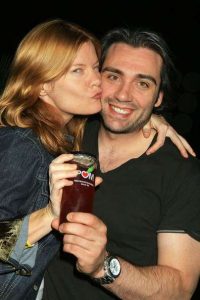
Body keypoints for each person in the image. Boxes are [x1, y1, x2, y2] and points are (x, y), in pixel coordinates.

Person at [43, 28, 200, 300]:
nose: (123, 95)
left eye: (143, 84)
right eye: (113, 76)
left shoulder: (181, 171)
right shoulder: (67, 134)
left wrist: (102, 266)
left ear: (159, 97)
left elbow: (181, 288)